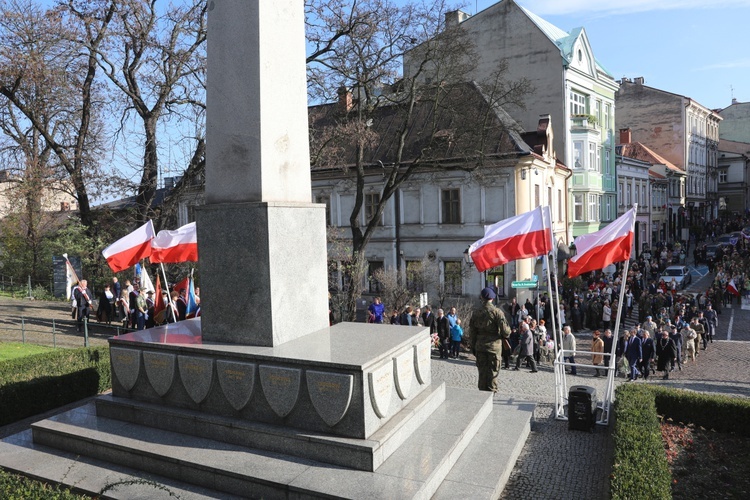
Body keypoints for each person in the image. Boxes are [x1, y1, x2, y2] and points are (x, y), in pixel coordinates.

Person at [469, 287, 511, 392]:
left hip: (480, 347)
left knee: (482, 374)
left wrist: (473, 346)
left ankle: (482, 401)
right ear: (492, 298)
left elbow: (472, 332)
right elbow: (506, 332)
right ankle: (490, 400)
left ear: (482, 298)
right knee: (493, 374)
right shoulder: (497, 312)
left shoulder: (476, 313)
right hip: (494, 348)